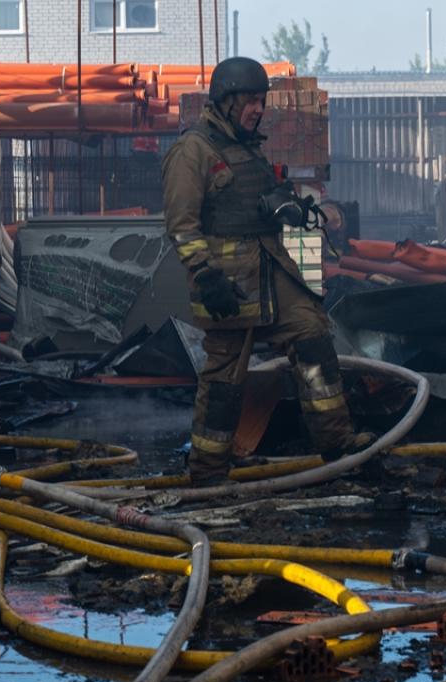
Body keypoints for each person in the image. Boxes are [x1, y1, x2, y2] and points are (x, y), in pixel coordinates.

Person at [160, 57, 375, 483]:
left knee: (312, 334)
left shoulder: (247, 148)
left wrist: (286, 205)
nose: (259, 109)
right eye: (251, 101)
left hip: (272, 270)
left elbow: (260, 197)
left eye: (262, 101)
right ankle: (207, 471)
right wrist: (205, 275)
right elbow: (182, 225)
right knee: (225, 378)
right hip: (227, 283)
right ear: (226, 101)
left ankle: (337, 443)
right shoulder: (193, 151)